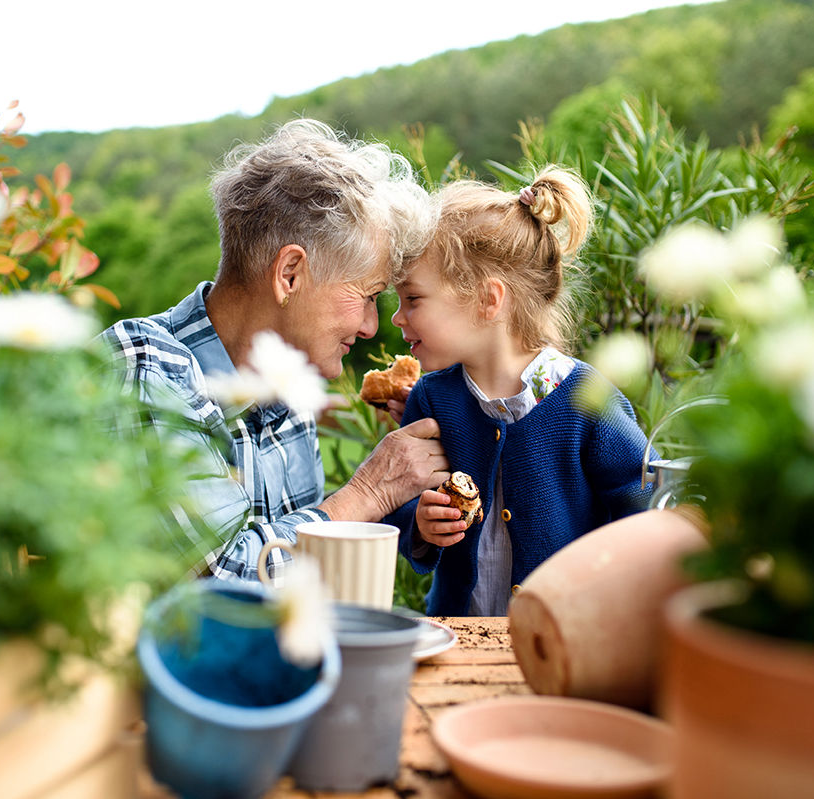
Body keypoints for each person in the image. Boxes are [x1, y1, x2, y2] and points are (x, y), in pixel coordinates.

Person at [98, 119, 449, 580]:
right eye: (366, 295)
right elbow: (223, 580)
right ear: (289, 275)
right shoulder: (146, 367)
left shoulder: (285, 381)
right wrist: (370, 491)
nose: (370, 327)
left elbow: (297, 559)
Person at [384, 166, 652, 616]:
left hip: (565, 640)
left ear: (489, 300)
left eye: (412, 299)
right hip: (459, 637)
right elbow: (398, 499)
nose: (398, 317)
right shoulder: (432, 399)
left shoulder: (584, 398)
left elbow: (641, 503)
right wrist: (421, 524)